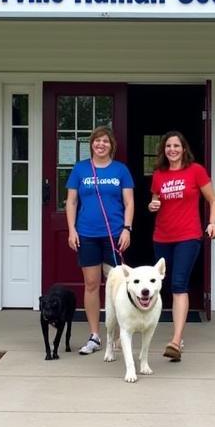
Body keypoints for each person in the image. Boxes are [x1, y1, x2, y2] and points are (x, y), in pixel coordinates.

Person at [148, 131, 215, 361]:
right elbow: (155, 201)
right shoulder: (159, 174)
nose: (172, 149)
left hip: (188, 236)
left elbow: (213, 200)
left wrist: (212, 223)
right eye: (168, 146)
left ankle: (176, 341)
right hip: (162, 237)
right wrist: (152, 206)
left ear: (183, 148)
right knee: (160, 285)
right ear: (164, 150)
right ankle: (149, 332)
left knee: (179, 284)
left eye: (176, 145)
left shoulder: (196, 170)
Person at [65, 126, 134, 355]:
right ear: (91, 144)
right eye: (97, 141)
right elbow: (72, 201)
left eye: (105, 141)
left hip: (114, 234)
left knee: (119, 286)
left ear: (111, 145)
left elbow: (129, 202)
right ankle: (95, 335)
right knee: (92, 285)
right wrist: (71, 230)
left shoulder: (120, 170)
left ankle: (118, 333)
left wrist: (127, 229)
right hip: (87, 234)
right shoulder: (80, 169)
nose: (101, 144)